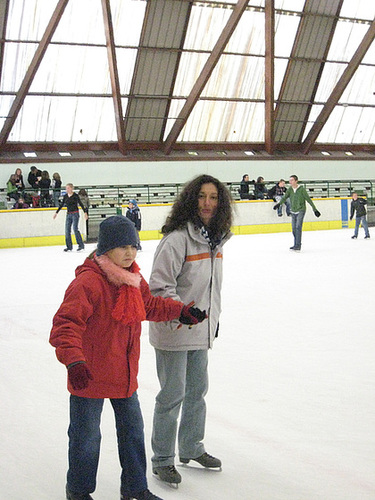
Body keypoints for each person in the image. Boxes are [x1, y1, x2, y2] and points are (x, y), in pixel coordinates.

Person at [49, 215, 206, 500]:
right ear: (105, 249)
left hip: (123, 375)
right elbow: (65, 324)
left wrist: (180, 311)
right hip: (89, 375)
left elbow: (150, 306)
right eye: (122, 247)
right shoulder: (89, 283)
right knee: (86, 439)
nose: (129, 252)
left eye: (133, 246)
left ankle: (134, 489)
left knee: (133, 434)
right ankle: (78, 491)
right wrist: (74, 361)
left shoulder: (133, 279)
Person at [148, 174, 233, 485]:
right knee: (172, 396)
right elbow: (159, 287)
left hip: (200, 329)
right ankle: (162, 460)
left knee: (197, 392)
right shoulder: (177, 240)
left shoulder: (215, 239)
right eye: (201, 197)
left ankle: (190, 447)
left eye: (213, 197)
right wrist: (180, 313)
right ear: (190, 200)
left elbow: (211, 287)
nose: (207, 203)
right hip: (173, 330)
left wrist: (213, 320)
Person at [274, 174, 321, 251]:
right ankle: (296, 243)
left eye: (292, 180)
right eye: (289, 180)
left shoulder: (302, 189)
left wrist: (315, 210)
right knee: (293, 229)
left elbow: (308, 200)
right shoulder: (290, 189)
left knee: (298, 227)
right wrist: (279, 204)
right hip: (293, 211)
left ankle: (298, 245)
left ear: (296, 181)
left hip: (301, 210)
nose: (290, 182)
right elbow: (285, 197)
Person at [53, 183, 88, 252]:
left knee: (75, 229)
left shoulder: (75, 196)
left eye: (68, 188)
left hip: (75, 214)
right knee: (67, 230)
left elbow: (80, 203)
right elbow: (62, 204)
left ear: (72, 188)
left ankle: (81, 245)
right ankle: (69, 247)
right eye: (66, 188)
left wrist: (85, 212)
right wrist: (56, 212)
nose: (67, 190)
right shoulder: (65, 196)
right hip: (68, 214)